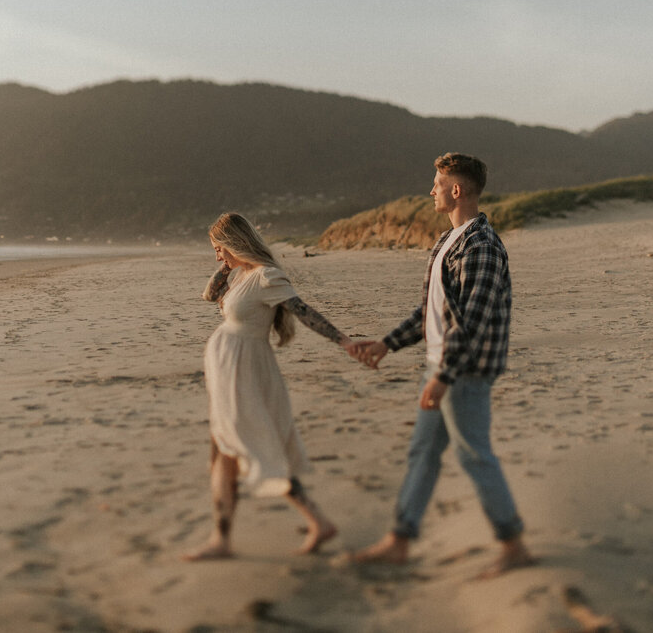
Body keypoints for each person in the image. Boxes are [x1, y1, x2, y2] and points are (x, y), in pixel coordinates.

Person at [350, 153, 534, 578]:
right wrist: (385, 344)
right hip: (439, 368)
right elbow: (432, 313)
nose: (430, 190)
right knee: (423, 455)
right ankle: (399, 541)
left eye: (437, 183)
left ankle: (514, 544)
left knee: (474, 456)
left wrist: (443, 377)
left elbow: (469, 323)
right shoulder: (447, 242)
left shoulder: (481, 246)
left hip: (462, 374)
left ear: (456, 190)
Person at [184, 212, 358, 561]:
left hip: (245, 370)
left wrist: (344, 341)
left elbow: (302, 311)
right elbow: (209, 295)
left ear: (234, 242)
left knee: (253, 446)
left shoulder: (266, 276)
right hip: (228, 368)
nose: (217, 255)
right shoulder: (242, 275)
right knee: (222, 449)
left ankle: (316, 520)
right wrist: (228, 264)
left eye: (219, 248)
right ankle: (222, 538)